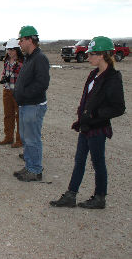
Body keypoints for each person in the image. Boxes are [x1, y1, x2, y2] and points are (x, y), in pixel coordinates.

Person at [50, 36, 125, 209]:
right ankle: (71, 195)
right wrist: (82, 112)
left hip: (98, 128)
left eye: (91, 54)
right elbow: (88, 98)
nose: (88, 57)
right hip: (85, 126)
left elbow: (118, 108)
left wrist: (94, 115)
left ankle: (100, 198)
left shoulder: (112, 79)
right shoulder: (94, 74)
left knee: (98, 163)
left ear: (102, 56)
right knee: (79, 161)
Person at [12, 25, 50, 182]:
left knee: (32, 138)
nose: (19, 43)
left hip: (33, 106)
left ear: (29, 40)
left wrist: (24, 95)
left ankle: (35, 170)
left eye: (21, 40)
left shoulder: (40, 58)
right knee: (26, 137)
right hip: (25, 105)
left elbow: (42, 84)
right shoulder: (29, 58)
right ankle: (29, 166)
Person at [0, 38, 24, 148]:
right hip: (7, 90)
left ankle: (19, 140)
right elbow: (5, 71)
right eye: (8, 49)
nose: (9, 51)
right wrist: (3, 76)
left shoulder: (22, 61)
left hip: (17, 92)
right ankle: (8, 137)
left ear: (17, 50)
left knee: (19, 117)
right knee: (8, 115)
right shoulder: (6, 60)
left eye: (11, 49)